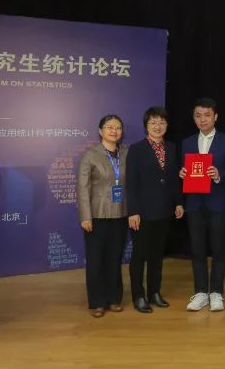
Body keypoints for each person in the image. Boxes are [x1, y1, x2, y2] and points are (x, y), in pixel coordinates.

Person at [179, 98, 225, 313]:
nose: (202, 119)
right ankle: (201, 292)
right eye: (198, 115)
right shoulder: (187, 142)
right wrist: (182, 173)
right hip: (194, 203)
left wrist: (219, 174)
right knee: (197, 249)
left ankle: (217, 292)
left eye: (207, 115)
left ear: (215, 117)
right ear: (194, 118)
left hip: (218, 202)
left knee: (219, 248)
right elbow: (184, 170)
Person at [125, 106, 183, 314]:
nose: (158, 126)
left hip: (164, 210)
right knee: (139, 255)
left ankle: (154, 292)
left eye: (161, 122)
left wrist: (178, 202)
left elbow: (174, 179)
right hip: (142, 213)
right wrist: (133, 211)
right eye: (153, 122)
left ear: (166, 125)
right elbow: (131, 183)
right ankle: (138, 296)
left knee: (157, 255)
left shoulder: (172, 148)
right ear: (146, 126)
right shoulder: (136, 149)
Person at [77, 114, 129, 318]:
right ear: (100, 131)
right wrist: (85, 216)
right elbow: (83, 188)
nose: (114, 131)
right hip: (96, 215)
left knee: (115, 258)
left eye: (118, 127)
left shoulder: (126, 152)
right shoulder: (90, 155)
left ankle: (114, 299)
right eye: (109, 127)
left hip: (120, 213)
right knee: (96, 260)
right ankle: (98, 302)